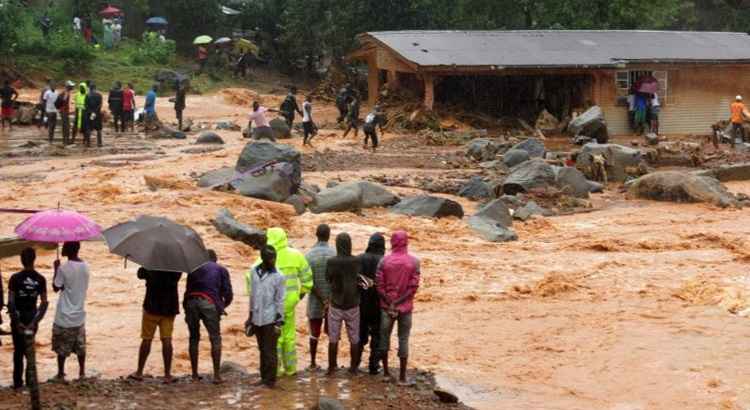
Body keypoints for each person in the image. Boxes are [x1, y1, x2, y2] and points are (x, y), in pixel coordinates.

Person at [246, 227, 312, 378]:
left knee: (274, 339)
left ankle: (277, 370)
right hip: (290, 303)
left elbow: (251, 284)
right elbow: (308, 279)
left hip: (270, 308)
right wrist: (299, 295)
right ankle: (291, 368)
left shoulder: (262, 260)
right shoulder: (296, 255)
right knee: (289, 336)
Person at [376, 231, 420, 384]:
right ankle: (402, 377)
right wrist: (399, 302)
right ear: (406, 242)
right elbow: (413, 288)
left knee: (384, 338)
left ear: (392, 242)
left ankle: (386, 373)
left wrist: (390, 303)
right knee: (403, 339)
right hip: (405, 307)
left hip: (386, 307)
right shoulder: (414, 262)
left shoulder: (383, 261)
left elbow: (379, 286)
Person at [184, 250, 233, 384]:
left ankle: (194, 375)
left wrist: (185, 309)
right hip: (209, 303)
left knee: (193, 338)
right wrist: (222, 306)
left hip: (191, 302)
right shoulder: (221, 269)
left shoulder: (193, 268)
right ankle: (216, 376)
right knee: (215, 338)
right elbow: (228, 293)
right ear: (215, 259)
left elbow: (187, 289)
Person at [129, 266, 182, 384]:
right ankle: (167, 374)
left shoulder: (151, 264)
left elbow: (140, 274)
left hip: (151, 306)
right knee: (167, 339)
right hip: (169, 307)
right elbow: (176, 278)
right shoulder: (176, 266)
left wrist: (146, 264)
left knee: (146, 339)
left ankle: (139, 372)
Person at [8, 248, 48, 390]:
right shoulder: (41, 279)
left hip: (17, 318)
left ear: (21, 260)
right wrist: (34, 323)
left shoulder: (14, 278)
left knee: (18, 351)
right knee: (29, 350)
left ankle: (18, 384)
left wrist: (17, 322)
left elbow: (11, 303)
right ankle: (31, 382)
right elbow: (44, 303)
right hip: (32, 317)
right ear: (34, 259)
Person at [246, 246, 285, 388]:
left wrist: (278, 322)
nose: (273, 260)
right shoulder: (254, 272)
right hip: (257, 317)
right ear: (263, 258)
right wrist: (249, 317)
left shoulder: (279, 276)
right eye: (270, 258)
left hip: (270, 318)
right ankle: (263, 378)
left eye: (274, 257)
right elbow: (252, 295)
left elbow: (280, 300)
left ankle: (271, 381)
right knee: (262, 349)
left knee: (270, 351)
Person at [52, 241, 90, 382]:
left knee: (61, 347)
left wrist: (56, 269)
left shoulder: (63, 268)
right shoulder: (86, 266)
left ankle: (61, 373)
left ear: (68, 249)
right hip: (79, 313)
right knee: (80, 347)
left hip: (64, 314)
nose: (62, 248)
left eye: (64, 246)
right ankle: (81, 373)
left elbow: (56, 287)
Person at [326, 233, 362, 375]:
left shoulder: (331, 262)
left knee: (333, 337)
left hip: (336, 303)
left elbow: (328, 278)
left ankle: (331, 367)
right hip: (353, 304)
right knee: (354, 338)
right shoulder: (356, 261)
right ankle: (353, 368)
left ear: (337, 245)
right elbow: (360, 279)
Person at [305, 224, 336, 370]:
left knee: (314, 333)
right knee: (332, 333)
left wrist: (321, 298)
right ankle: (332, 364)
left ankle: (312, 363)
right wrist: (328, 299)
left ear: (316, 235)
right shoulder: (335, 253)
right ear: (329, 236)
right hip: (332, 300)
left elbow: (307, 281)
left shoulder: (309, 255)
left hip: (315, 300)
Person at [358, 233, 385, 375]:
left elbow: (355, 282)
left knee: (359, 336)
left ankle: (355, 364)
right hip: (378, 305)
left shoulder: (359, 259)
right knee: (377, 336)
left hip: (361, 304)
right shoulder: (385, 261)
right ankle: (374, 366)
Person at [84, 83, 103, 147]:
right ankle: (99, 143)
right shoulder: (99, 95)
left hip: (89, 114)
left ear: (90, 88)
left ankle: (88, 143)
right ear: (95, 88)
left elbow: (85, 105)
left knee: (88, 128)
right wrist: (95, 112)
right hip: (97, 114)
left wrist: (91, 112)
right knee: (99, 128)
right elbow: (100, 105)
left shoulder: (87, 95)